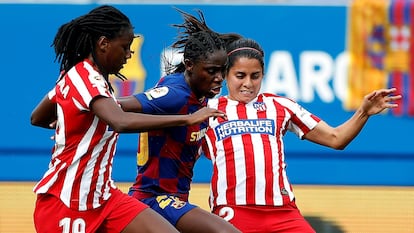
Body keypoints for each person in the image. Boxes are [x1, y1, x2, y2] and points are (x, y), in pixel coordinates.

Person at [30, 5, 226, 233]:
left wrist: (71, 122)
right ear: (103, 44)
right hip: (67, 200)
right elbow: (120, 121)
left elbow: (39, 117)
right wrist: (186, 119)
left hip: (104, 197)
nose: (129, 54)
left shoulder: (87, 79)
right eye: (125, 47)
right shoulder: (85, 77)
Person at [202, 38, 402, 233]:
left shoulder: (280, 106)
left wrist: (363, 112)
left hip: (282, 213)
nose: (248, 83)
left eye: (255, 76)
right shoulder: (207, 110)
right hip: (234, 211)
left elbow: (336, 138)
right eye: (240, 75)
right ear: (226, 75)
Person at [117, 9, 241, 233]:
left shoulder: (197, 92)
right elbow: (116, 105)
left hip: (174, 200)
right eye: (212, 71)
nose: (219, 78)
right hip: (154, 199)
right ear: (190, 65)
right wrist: (71, 113)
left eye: (222, 70)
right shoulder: (176, 94)